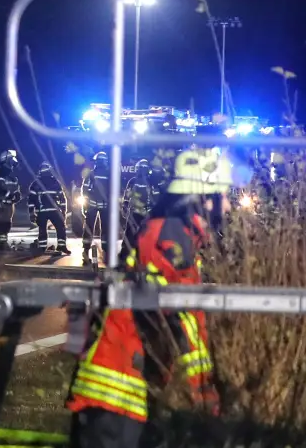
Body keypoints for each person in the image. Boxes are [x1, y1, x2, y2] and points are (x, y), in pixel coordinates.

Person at [65, 147, 225, 447]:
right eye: (222, 196)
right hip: (116, 392)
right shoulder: (171, 237)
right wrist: (202, 388)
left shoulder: (177, 234)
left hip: (128, 385)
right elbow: (175, 314)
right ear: (205, 199)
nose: (227, 206)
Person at [27, 162, 69, 254]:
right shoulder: (55, 182)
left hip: (42, 211)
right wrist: (63, 211)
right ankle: (61, 246)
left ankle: (42, 248)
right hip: (54, 210)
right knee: (60, 228)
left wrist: (31, 213)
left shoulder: (36, 183)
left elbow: (31, 200)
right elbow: (62, 198)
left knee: (42, 229)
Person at [0, 150, 23, 250]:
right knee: (0, 222)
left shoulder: (10, 174)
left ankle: (2, 243)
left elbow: (14, 188)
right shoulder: (0, 172)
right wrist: (10, 195)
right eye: (12, 159)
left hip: (9, 203)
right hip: (2, 202)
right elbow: (1, 188)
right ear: (7, 160)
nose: (14, 162)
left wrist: (17, 194)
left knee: (6, 223)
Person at [81, 151, 112, 266]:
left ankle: (85, 251)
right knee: (105, 229)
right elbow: (114, 191)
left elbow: (84, 190)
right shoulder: (110, 175)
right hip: (105, 207)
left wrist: (84, 206)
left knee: (88, 228)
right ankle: (106, 252)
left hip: (92, 206)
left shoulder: (91, 174)